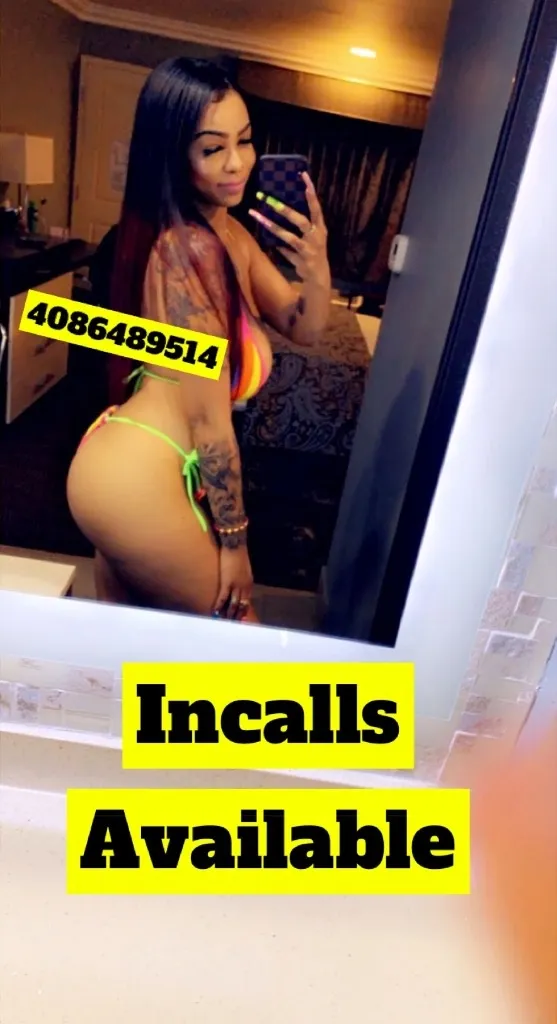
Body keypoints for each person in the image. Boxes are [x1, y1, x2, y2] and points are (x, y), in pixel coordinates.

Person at [67, 57, 331, 622]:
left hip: (141, 461)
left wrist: (316, 265)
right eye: (212, 148)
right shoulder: (188, 249)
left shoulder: (229, 233)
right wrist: (234, 543)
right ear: (173, 155)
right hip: (139, 472)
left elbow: (304, 327)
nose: (237, 163)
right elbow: (210, 421)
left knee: (132, 643)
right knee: (240, 642)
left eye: (245, 140)